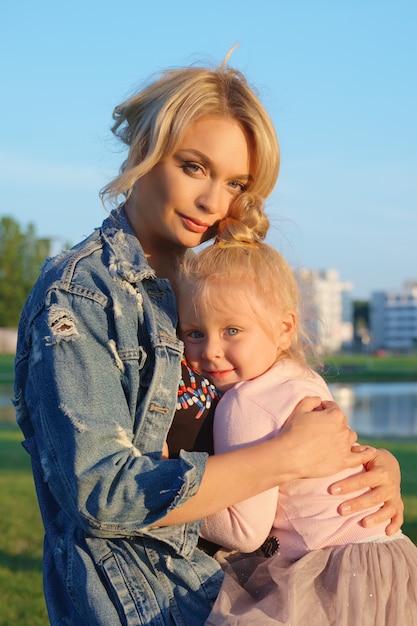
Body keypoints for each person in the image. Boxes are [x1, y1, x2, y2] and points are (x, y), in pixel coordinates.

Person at [13, 53, 403, 626]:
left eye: (236, 183)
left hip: (246, 596)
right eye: (195, 166)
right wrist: (284, 457)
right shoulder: (81, 296)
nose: (213, 202)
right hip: (150, 606)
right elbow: (100, 492)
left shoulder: (212, 290)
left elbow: (275, 409)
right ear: (145, 149)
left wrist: (368, 469)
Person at [175, 195, 417, 626]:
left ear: (284, 327)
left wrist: (180, 479)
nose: (210, 351)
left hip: (336, 574)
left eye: (232, 330)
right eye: (194, 333)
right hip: (388, 557)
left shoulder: (244, 402)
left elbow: (244, 531)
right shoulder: (301, 379)